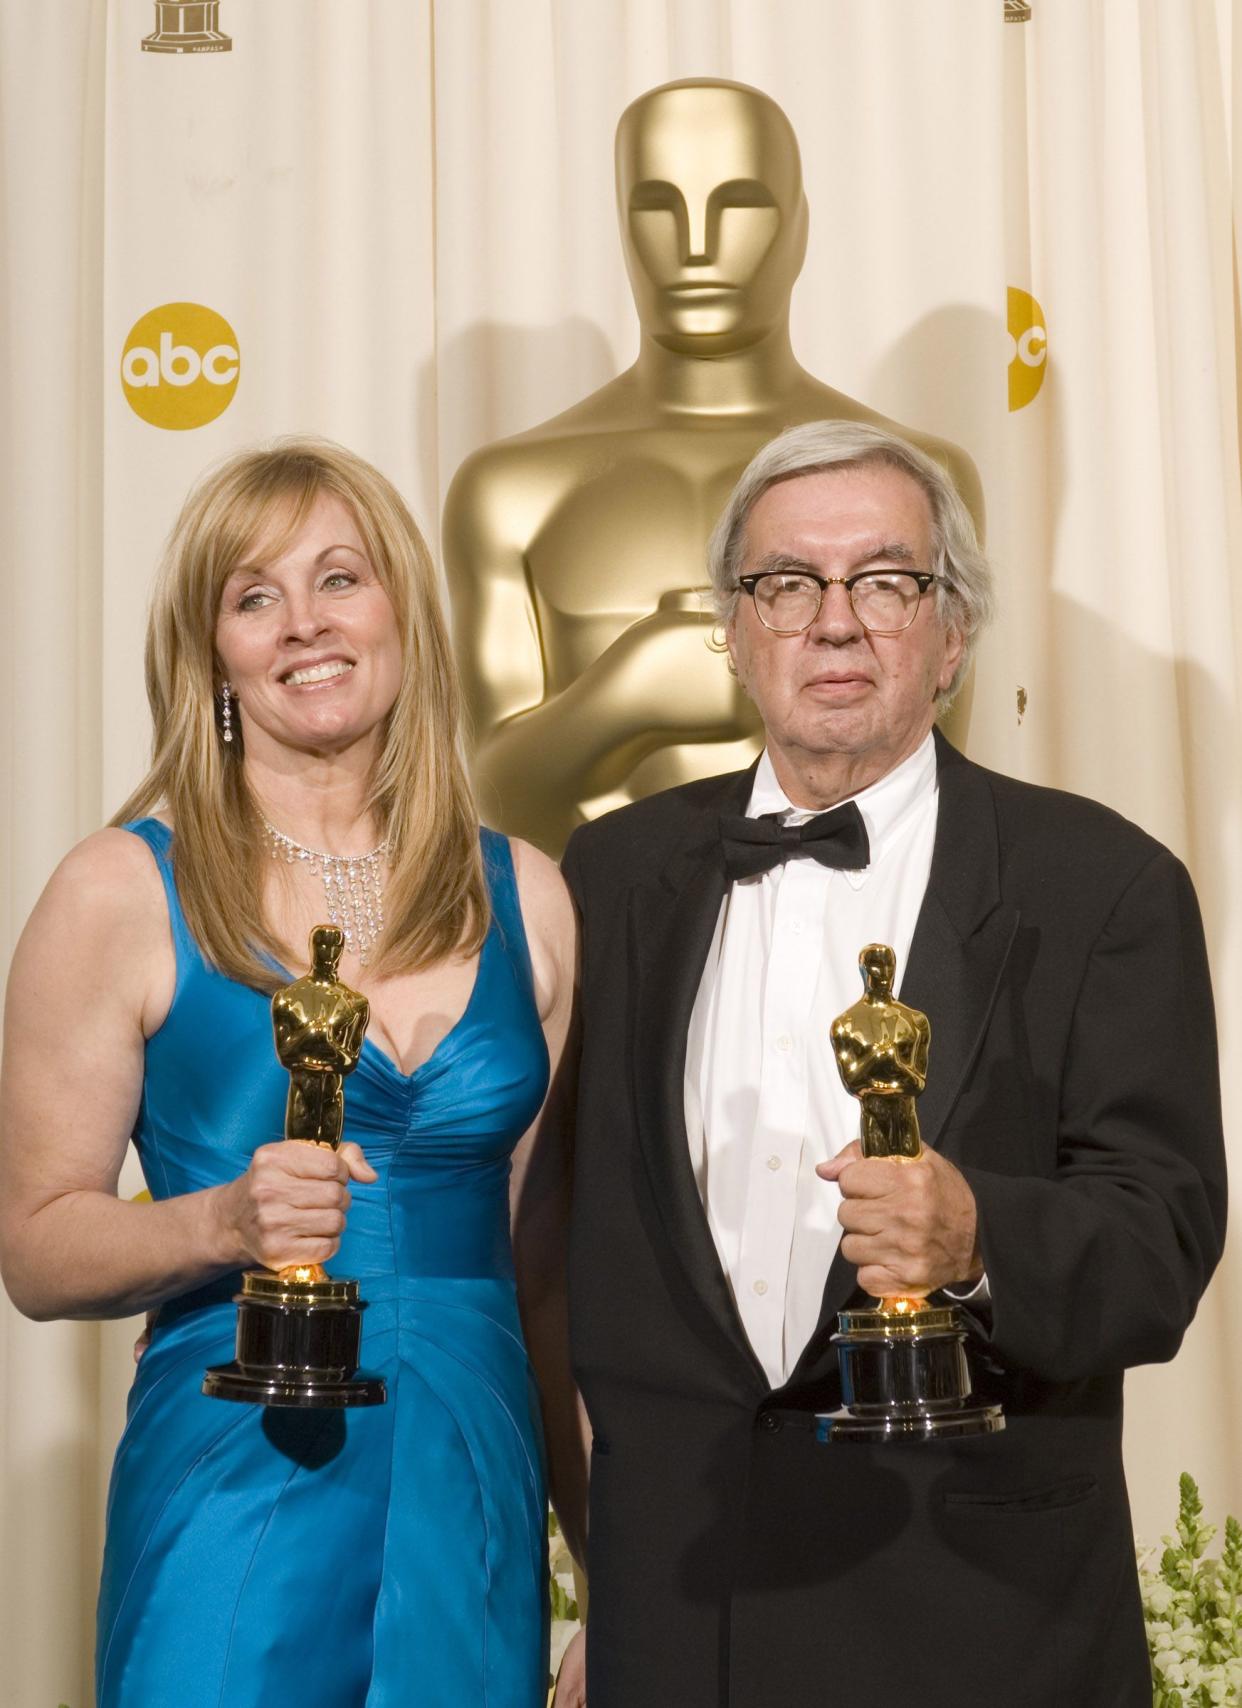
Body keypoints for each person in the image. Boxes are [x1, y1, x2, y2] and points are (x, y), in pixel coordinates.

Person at [561, 419, 1227, 1707]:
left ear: (953, 632)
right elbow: (568, 1245)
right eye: (786, 584)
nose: (834, 621)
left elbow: (1162, 1244)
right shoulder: (609, 876)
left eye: (885, 580)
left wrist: (978, 1234)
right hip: (679, 1624)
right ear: (735, 628)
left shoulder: (1102, 885)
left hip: (975, 1623)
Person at [0, 439, 587, 1707]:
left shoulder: (529, 893)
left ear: (402, 616)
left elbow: (546, 1270)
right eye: (254, 596)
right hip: (236, 1467)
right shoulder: (119, 889)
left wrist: (606, 1570)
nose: (304, 624)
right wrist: (222, 1221)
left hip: (471, 1478)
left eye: (341, 578)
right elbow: (36, 1248)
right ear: (211, 651)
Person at [444, 78, 982, 855]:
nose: (696, 245)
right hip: (601, 946)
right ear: (621, 230)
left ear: (800, 229)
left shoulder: (918, 476)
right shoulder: (513, 490)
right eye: (658, 207)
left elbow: (928, 772)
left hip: (866, 923)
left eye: (741, 204)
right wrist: (627, 694)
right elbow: (492, 790)